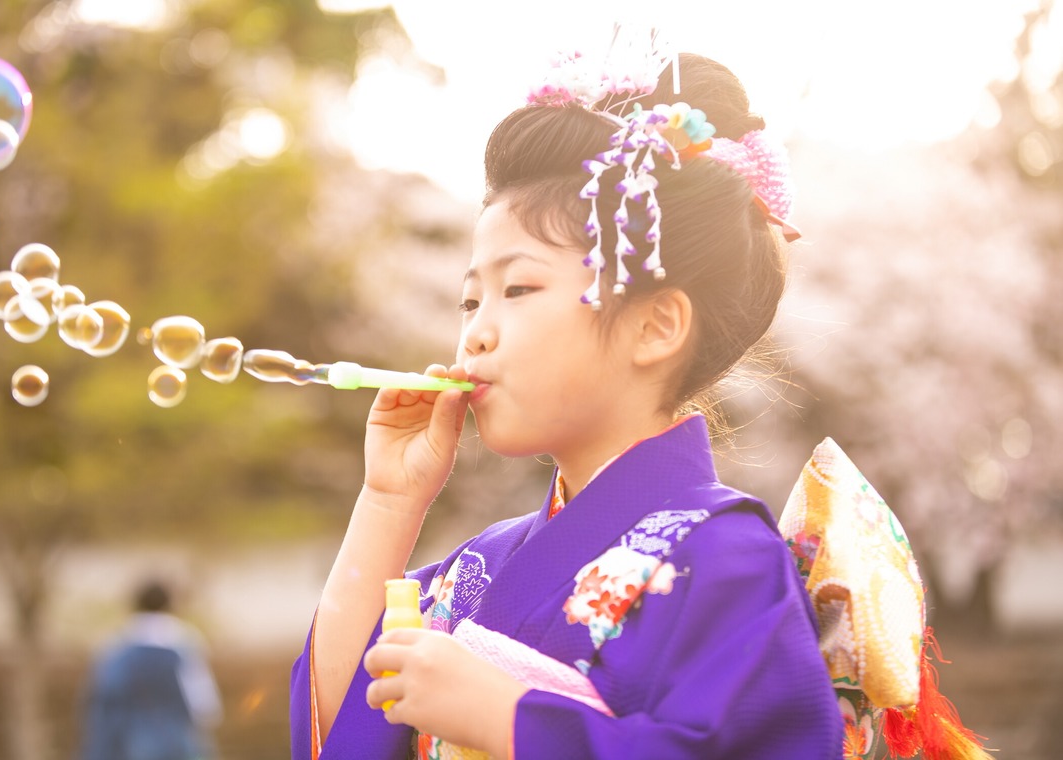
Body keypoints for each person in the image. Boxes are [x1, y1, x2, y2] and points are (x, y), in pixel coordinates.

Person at [290, 45, 845, 759]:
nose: (476, 332)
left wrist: (509, 719)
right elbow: (341, 727)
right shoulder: (480, 568)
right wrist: (388, 502)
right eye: (470, 300)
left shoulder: (726, 558)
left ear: (655, 326)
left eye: (518, 288)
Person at [79, 578, 223, 760]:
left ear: (136, 604)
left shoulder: (115, 645)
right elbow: (205, 707)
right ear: (170, 605)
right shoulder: (185, 642)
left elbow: (100, 706)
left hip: (128, 746)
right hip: (176, 746)